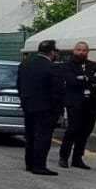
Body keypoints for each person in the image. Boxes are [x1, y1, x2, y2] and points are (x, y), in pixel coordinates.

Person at [17, 39, 65, 176]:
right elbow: (57, 91)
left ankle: (30, 163)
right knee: (43, 137)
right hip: (46, 108)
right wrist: (59, 110)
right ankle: (39, 165)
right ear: (51, 52)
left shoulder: (25, 65)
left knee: (30, 136)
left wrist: (24, 101)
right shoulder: (53, 67)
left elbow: (19, 85)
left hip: (28, 106)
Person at [58, 41, 96, 169]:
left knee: (85, 131)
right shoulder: (67, 65)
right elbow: (72, 81)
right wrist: (92, 78)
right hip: (74, 102)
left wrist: (85, 78)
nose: (81, 52)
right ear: (74, 50)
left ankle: (77, 158)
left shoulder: (93, 64)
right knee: (72, 129)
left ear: (88, 52)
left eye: (84, 50)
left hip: (91, 102)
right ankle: (64, 156)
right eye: (79, 50)